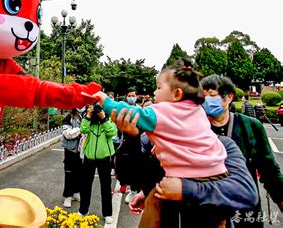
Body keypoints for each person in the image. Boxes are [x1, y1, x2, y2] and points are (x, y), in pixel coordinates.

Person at [95, 59, 229, 227]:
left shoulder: (165, 111)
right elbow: (131, 174)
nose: (154, 92)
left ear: (177, 94)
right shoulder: (197, 111)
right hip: (216, 177)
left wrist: (106, 102)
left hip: (191, 182)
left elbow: (135, 113)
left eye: (159, 87)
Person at [110, 104, 258, 227]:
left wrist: (185, 189)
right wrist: (131, 138)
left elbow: (245, 192)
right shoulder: (150, 141)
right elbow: (128, 177)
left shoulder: (223, 145)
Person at [200, 74, 283, 227]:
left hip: (245, 211)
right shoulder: (194, 129)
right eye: (202, 97)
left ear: (229, 98)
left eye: (211, 96)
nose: (206, 102)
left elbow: (269, 169)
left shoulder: (251, 126)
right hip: (207, 211)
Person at [79, 104, 117, 224]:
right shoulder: (88, 120)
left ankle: (107, 213)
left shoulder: (109, 119)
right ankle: (83, 210)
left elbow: (112, 133)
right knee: (85, 185)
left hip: (105, 157)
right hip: (89, 156)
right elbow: (83, 130)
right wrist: (88, 116)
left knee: (105, 186)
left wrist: (104, 118)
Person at [61, 108, 83, 208]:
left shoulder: (88, 114)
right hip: (71, 149)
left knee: (80, 172)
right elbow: (68, 134)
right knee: (69, 172)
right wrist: (81, 129)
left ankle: (77, 192)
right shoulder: (68, 117)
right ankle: (68, 196)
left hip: (82, 149)